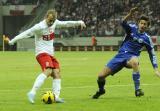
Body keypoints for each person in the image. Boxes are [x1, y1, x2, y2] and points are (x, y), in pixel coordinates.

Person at [6, 9, 86, 103]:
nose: (51, 23)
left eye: (53, 21)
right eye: (49, 20)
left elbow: (66, 23)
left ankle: (55, 97)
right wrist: (12, 41)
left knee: (57, 73)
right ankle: (32, 92)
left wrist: (79, 22)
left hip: (50, 54)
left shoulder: (54, 22)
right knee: (48, 70)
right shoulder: (39, 27)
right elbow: (26, 33)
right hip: (41, 53)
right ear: (46, 17)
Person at [92, 7, 160, 99]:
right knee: (100, 76)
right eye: (141, 23)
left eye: (145, 24)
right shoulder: (132, 28)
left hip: (131, 58)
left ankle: (137, 89)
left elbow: (152, 54)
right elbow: (123, 23)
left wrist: (156, 69)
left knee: (135, 62)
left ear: (147, 26)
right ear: (138, 23)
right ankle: (101, 90)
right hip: (120, 56)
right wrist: (130, 14)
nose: (143, 25)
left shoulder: (147, 38)